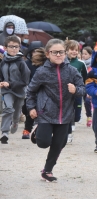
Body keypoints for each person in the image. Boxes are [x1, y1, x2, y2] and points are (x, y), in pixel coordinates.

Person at [26, 39, 85, 182]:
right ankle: (38, 130)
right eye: (55, 52)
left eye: (61, 52)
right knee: (43, 143)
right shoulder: (42, 72)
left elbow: (83, 89)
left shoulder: (72, 70)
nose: (59, 55)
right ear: (48, 54)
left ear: (65, 53)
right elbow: (30, 91)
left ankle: (47, 171)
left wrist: (75, 90)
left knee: (59, 144)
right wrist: (31, 107)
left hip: (65, 114)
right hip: (45, 113)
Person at [0, 35, 31, 144]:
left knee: (16, 113)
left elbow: (25, 81)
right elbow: (1, 75)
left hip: (20, 92)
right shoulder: (3, 61)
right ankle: (4, 132)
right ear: (5, 47)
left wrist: (10, 83)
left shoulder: (21, 62)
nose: (13, 49)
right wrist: (2, 82)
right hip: (7, 91)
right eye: (11, 46)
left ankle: (15, 123)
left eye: (16, 47)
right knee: (8, 108)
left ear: (19, 48)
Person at [65, 40, 87, 144]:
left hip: (77, 91)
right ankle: (68, 134)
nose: (74, 52)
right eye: (72, 49)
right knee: (68, 113)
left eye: (76, 50)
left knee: (76, 116)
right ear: (66, 50)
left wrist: (86, 91)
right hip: (66, 93)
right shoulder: (62, 62)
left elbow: (86, 78)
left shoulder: (81, 63)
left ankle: (75, 118)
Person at [21, 41, 44, 139]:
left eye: (38, 51)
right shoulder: (26, 63)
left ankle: (31, 130)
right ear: (30, 52)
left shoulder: (45, 64)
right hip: (30, 89)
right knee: (27, 109)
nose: (36, 54)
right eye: (34, 51)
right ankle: (28, 128)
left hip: (43, 90)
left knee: (42, 111)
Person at [82, 46, 93, 127]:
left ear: (90, 55)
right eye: (82, 53)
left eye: (85, 54)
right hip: (83, 85)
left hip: (92, 86)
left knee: (89, 100)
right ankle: (89, 116)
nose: (83, 55)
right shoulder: (81, 63)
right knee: (86, 102)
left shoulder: (93, 65)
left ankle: (94, 117)